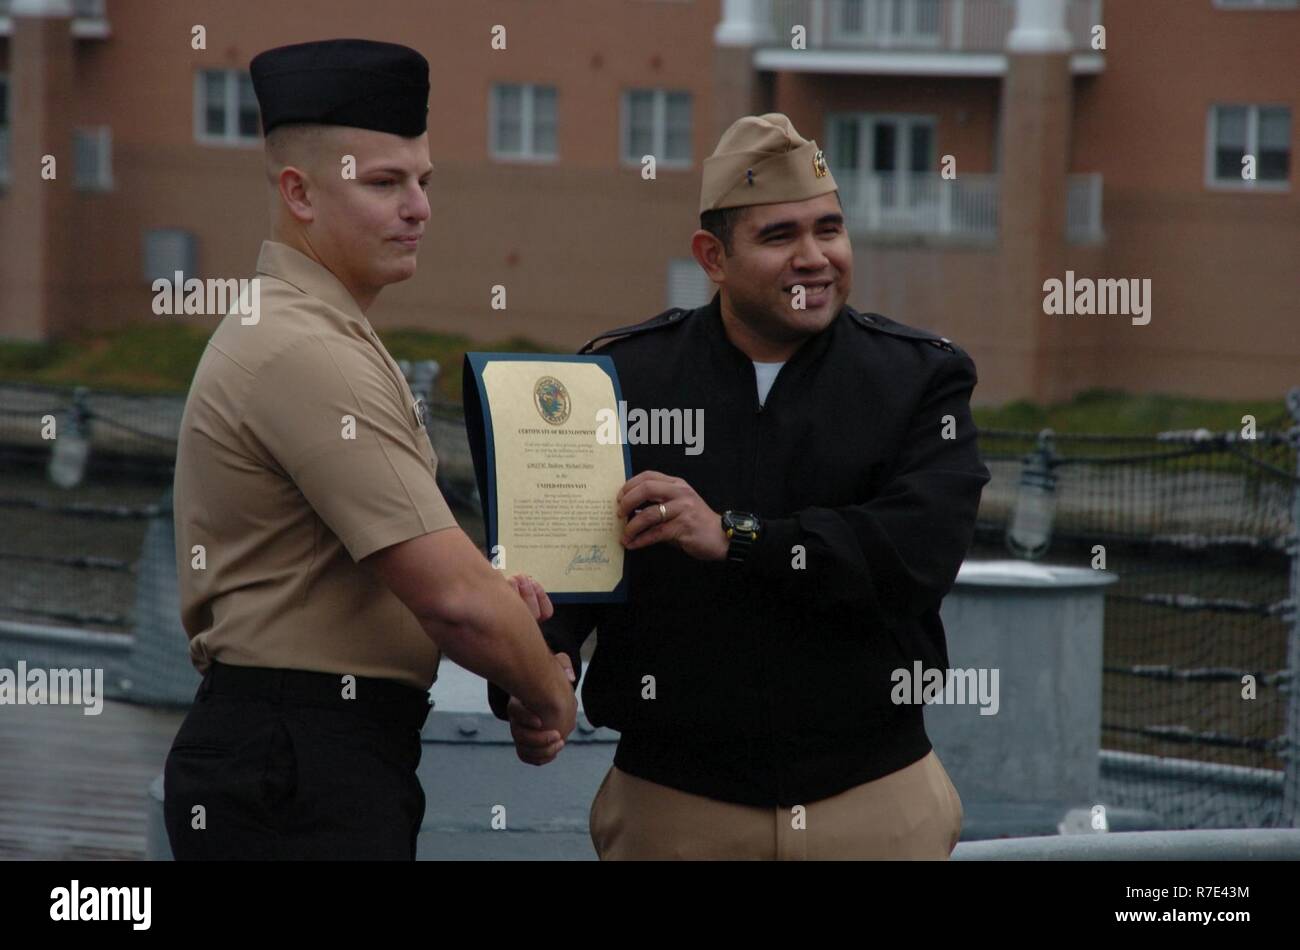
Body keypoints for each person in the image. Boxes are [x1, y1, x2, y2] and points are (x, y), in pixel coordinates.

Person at [489, 113, 990, 860]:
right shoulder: (622, 379)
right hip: (676, 809)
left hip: (873, 803)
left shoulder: (918, 381)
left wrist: (737, 536)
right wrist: (537, 669)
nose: (815, 258)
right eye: (780, 236)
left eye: (830, 229)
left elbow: (916, 554)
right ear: (712, 257)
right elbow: (562, 563)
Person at [165, 38, 575, 861]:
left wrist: (498, 602)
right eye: (384, 183)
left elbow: (420, 582)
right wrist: (547, 696)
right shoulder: (305, 350)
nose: (418, 207)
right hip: (299, 760)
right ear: (299, 193)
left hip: (308, 752)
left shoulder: (317, 334)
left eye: (424, 181)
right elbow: (451, 601)